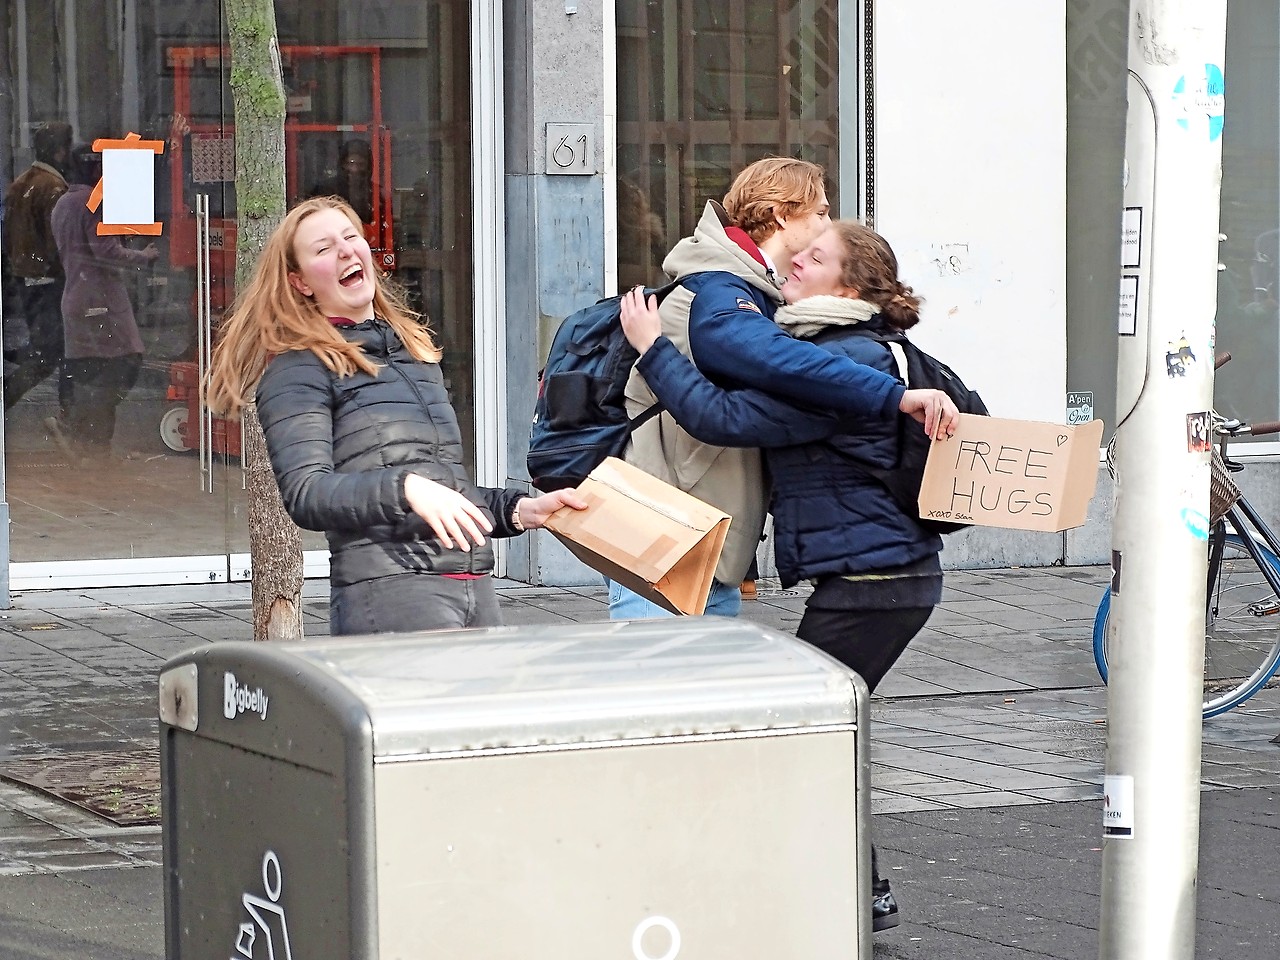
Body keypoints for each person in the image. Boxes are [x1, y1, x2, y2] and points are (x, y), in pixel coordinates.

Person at [621, 219, 953, 934]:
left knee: (806, 732)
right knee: (823, 732)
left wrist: (653, 350)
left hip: (875, 584)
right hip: (878, 580)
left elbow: (719, 416)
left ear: (853, 284)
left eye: (818, 255)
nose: (796, 259)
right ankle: (861, 891)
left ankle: (835, 893)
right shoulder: (832, 346)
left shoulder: (845, 357)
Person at [204, 197, 585, 635]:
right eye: (324, 249)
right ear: (301, 282)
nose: (346, 250)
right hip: (391, 595)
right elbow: (307, 494)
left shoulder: (412, 355)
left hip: (472, 586)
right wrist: (405, 488)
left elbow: (442, 490)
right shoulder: (299, 369)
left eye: (350, 237)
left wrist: (522, 510)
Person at [612, 156, 958, 620]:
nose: (826, 224)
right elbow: (775, 366)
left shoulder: (753, 290)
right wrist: (894, 396)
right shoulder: (723, 291)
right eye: (820, 212)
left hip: (691, 535)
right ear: (781, 214)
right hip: (669, 532)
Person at [49, 143, 159, 460]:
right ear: (97, 171)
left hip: (75, 295)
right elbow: (106, 252)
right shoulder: (92, 203)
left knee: (91, 368)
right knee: (125, 362)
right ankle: (76, 427)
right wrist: (144, 256)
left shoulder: (63, 203)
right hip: (102, 299)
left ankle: (89, 440)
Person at [4, 121, 73, 413]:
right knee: (55, 353)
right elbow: (57, 238)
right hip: (48, 280)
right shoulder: (54, 187)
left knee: (48, 350)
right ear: (60, 151)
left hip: (24, 277)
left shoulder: (21, 182)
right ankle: (69, 413)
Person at [308, 140, 374, 223]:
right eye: (351, 163)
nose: (355, 169)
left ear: (368, 166)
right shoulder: (324, 189)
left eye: (361, 164)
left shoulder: (376, 193)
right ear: (342, 164)